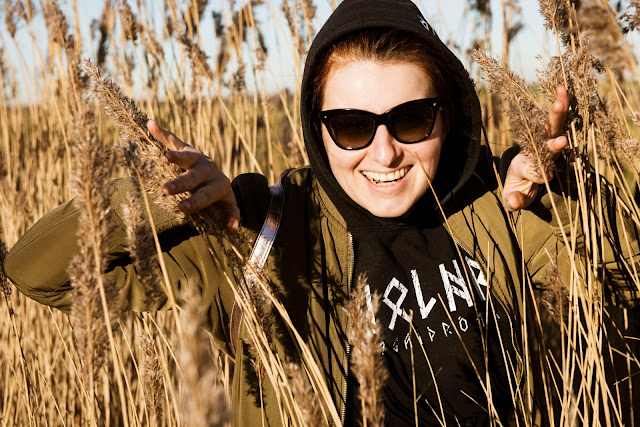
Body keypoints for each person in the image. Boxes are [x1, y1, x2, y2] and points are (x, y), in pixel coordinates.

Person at [4, 0, 639, 425]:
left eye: (412, 119)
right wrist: (150, 191)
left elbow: (614, 322)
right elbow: (38, 272)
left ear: (448, 114)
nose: (385, 152)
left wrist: (568, 198)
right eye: (352, 126)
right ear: (317, 129)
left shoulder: (494, 203)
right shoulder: (258, 232)